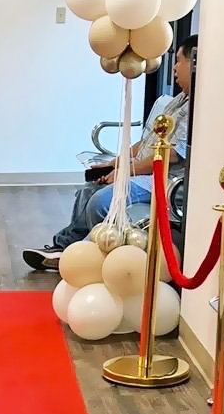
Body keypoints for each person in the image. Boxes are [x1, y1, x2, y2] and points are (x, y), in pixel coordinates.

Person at [23, 34, 196, 272]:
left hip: (162, 180)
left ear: (194, 64)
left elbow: (172, 155)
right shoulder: (178, 100)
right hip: (144, 172)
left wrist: (126, 173)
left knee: (100, 202)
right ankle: (65, 247)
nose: (174, 67)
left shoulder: (197, 108)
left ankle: (87, 259)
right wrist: (116, 164)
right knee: (88, 189)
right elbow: (146, 141)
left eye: (179, 61)